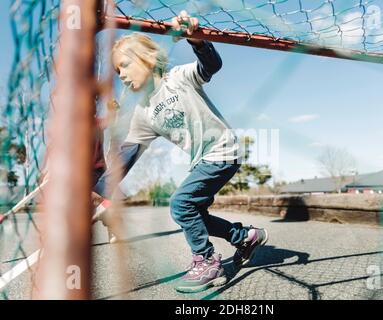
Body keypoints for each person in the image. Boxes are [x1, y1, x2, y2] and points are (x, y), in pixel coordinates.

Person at [93, 10, 269, 293]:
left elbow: (210, 66)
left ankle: (207, 260)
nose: (121, 75)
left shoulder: (178, 77)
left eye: (125, 65)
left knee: (180, 204)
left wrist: (197, 42)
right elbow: (128, 154)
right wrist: (100, 186)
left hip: (223, 149)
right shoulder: (143, 112)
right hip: (203, 159)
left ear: (147, 58)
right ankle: (244, 236)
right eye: (117, 72)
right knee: (194, 213)